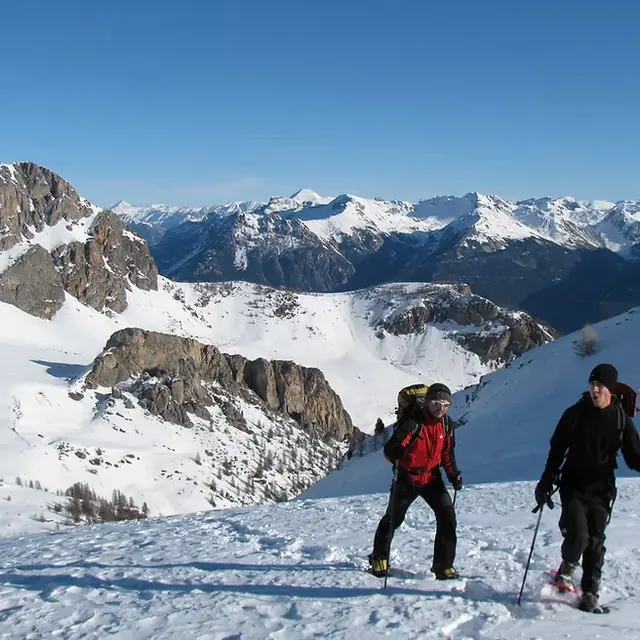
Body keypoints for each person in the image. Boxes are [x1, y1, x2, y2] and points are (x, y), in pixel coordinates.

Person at [535, 363, 640, 613]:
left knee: (595, 541)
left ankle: (590, 593)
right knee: (579, 535)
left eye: (599, 385)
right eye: (592, 384)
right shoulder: (575, 413)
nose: (594, 389)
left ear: (610, 389)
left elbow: (634, 457)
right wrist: (546, 480)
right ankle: (567, 569)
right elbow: (557, 448)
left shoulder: (620, 420)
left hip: (602, 490)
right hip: (572, 484)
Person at [369, 383, 463, 579]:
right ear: (428, 403)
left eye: (446, 405)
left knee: (447, 517)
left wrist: (453, 475)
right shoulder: (412, 423)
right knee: (394, 518)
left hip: (431, 477)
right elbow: (389, 450)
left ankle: (443, 566)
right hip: (407, 478)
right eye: (437, 404)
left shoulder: (446, 425)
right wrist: (397, 457)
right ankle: (379, 557)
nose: (441, 409)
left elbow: (447, 453)